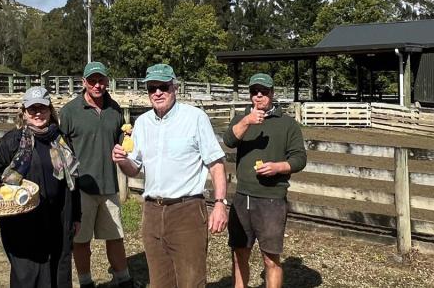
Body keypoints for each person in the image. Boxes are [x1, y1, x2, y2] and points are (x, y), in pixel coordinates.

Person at [112, 63, 228, 288]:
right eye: (152, 88)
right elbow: (134, 168)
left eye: (163, 86)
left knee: (191, 281)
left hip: (187, 211)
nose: (157, 92)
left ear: (174, 87)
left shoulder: (195, 118)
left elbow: (216, 164)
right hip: (152, 212)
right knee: (160, 281)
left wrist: (220, 204)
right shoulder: (143, 123)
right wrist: (122, 160)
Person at [0, 86, 81, 288]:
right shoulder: (14, 140)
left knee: (59, 271)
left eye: (42, 108)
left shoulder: (60, 139)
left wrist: (76, 215)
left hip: (59, 218)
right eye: (32, 109)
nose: (37, 113)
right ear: (24, 113)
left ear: (50, 111)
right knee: (28, 273)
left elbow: (72, 181)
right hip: (25, 220)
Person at [223, 73, 307, 288]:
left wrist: (278, 167)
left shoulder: (287, 124)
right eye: (254, 92)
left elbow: (299, 158)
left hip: (272, 199)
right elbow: (229, 141)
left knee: (270, 258)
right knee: (239, 253)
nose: (258, 96)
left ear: (272, 93)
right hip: (243, 197)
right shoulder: (243, 118)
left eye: (264, 92)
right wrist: (247, 121)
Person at [59, 62, 134, 288]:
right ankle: (86, 282)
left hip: (110, 186)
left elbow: (122, 142)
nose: (97, 85)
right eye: (92, 81)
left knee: (115, 237)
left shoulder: (115, 109)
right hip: (82, 188)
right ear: (84, 82)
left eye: (101, 80)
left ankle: (123, 279)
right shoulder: (70, 111)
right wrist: (66, 184)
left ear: (107, 81)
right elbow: (60, 150)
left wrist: (127, 142)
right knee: (81, 240)